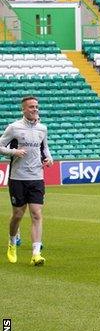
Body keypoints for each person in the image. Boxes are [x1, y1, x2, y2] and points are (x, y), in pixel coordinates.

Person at [0, 96, 52, 266]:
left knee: (36, 214)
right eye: (31, 107)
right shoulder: (14, 127)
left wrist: (49, 159)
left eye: (36, 106)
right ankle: (12, 241)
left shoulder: (42, 128)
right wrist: (13, 152)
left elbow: (44, 148)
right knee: (17, 215)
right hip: (18, 177)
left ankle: (36, 254)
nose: (34, 109)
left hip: (37, 177)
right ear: (23, 109)